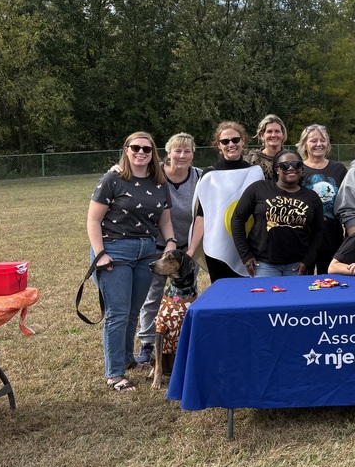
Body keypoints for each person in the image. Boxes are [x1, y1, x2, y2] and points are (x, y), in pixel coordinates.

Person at [86, 132, 175, 392]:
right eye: (135, 147)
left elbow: (165, 219)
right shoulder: (112, 179)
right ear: (126, 150)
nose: (141, 152)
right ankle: (115, 374)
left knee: (133, 311)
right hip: (114, 251)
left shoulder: (159, 182)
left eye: (147, 149)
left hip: (147, 252)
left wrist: (170, 241)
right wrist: (100, 254)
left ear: (153, 153)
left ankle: (127, 359)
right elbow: (93, 220)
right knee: (118, 313)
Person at [135, 132, 202, 366]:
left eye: (187, 151)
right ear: (168, 152)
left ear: (193, 154)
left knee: (188, 296)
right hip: (158, 245)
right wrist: (115, 168)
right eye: (177, 150)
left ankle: (184, 341)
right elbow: (128, 172)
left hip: (188, 249)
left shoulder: (200, 177)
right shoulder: (154, 174)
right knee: (153, 295)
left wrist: (191, 251)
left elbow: (205, 213)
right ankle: (147, 343)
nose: (182, 155)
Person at [231, 150, 324, 277]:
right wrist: (245, 255)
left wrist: (308, 260)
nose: (291, 168)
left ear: (302, 169)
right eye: (284, 165)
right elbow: (237, 219)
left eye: (296, 164)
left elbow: (318, 231)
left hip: (297, 265)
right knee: (265, 291)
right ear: (277, 169)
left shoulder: (312, 197)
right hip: (263, 264)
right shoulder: (258, 189)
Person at [190, 122, 263, 283]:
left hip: (248, 246)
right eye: (225, 141)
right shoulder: (210, 174)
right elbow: (202, 214)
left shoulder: (255, 173)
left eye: (235, 140)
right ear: (219, 145)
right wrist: (192, 249)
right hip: (217, 246)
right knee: (221, 292)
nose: (231, 144)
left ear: (243, 141)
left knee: (249, 291)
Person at [297, 124, 347, 273]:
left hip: (332, 236)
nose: (319, 144)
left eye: (322, 140)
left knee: (330, 280)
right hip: (304, 238)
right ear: (304, 144)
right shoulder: (297, 170)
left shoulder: (339, 169)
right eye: (313, 141)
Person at [244, 114, 287, 180]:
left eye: (277, 131)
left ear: (283, 135)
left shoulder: (291, 159)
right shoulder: (252, 160)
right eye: (269, 131)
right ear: (262, 136)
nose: (273, 135)